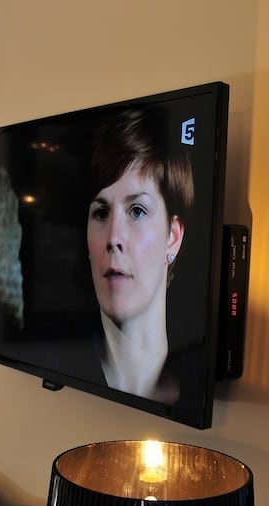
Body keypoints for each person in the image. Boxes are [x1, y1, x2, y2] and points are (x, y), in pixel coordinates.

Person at [85, 108, 196, 406]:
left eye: (137, 211)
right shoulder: (57, 363)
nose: (113, 238)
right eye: (101, 213)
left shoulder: (192, 390)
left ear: (172, 237)